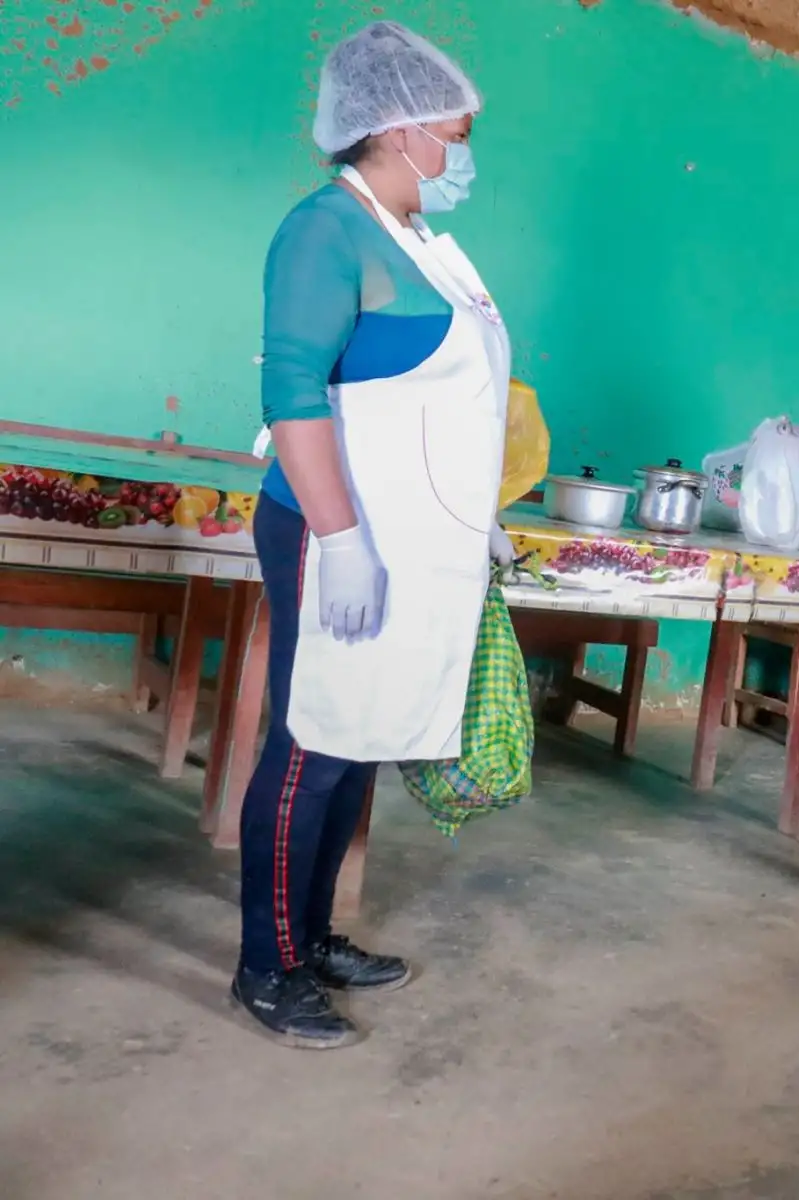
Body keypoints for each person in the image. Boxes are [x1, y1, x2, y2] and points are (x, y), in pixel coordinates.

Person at [237, 21, 515, 1047]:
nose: (464, 152)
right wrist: (339, 536)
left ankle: (311, 935)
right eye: (457, 130)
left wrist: (472, 519)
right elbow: (293, 388)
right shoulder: (324, 230)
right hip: (337, 535)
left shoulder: (421, 242)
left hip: (413, 541)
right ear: (395, 130)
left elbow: (441, 406)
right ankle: (266, 967)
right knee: (313, 740)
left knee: (361, 741)